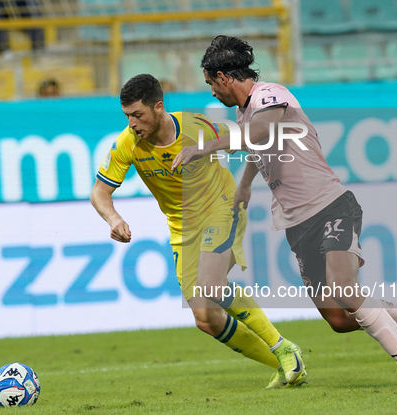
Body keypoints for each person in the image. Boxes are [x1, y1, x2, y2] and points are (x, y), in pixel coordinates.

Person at [173, 36, 397, 392]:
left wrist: (207, 146)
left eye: (211, 83)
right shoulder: (244, 112)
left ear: (224, 77)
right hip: (297, 223)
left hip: (331, 206)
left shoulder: (271, 95)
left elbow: (262, 132)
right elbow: (261, 145)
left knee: (345, 290)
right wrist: (244, 184)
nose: (212, 92)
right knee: (338, 318)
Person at [90, 74, 307, 389]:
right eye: (127, 116)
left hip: (221, 208)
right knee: (206, 319)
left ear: (159, 107)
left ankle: (283, 347)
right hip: (182, 228)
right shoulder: (128, 143)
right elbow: (99, 192)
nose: (132, 123)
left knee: (212, 284)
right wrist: (113, 219)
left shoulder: (196, 128)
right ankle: (286, 363)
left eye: (137, 114)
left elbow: (253, 139)